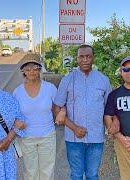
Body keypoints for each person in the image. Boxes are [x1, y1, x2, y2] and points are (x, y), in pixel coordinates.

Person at [54, 44, 111, 180]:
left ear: (93, 58)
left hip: (96, 137)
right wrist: (74, 128)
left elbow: (109, 109)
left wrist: (111, 128)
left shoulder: (103, 80)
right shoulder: (67, 80)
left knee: (92, 175)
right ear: (77, 58)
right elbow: (57, 107)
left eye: (88, 56)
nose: (85, 60)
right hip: (73, 139)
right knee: (76, 174)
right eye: (81, 57)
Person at [13, 59, 57, 180]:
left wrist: (62, 111)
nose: (31, 71)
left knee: (47, 171)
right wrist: (15, 122)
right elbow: (13, 114)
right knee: (30, 171)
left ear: (39, 70)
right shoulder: (18, 91)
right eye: (27, 69)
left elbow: (58, 107)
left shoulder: (50, 88)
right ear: (23, 72)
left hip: (47, 135)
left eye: (34, 68)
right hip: (27, 137)